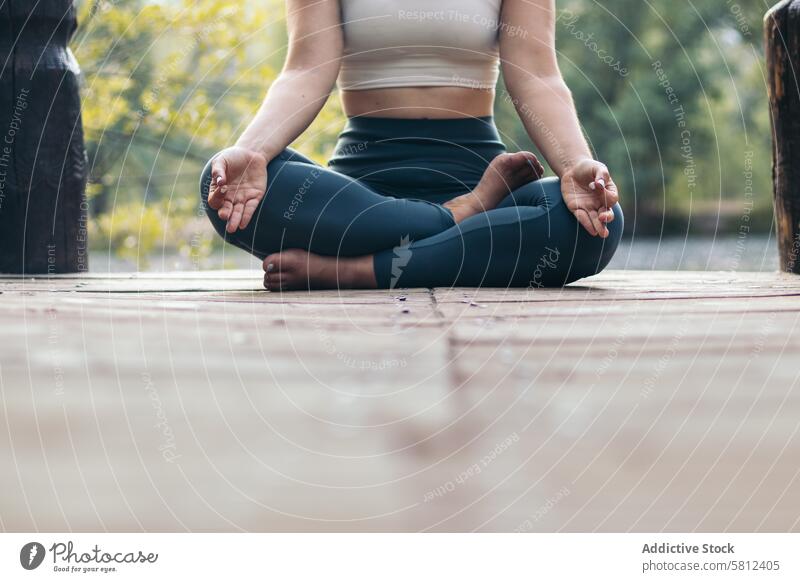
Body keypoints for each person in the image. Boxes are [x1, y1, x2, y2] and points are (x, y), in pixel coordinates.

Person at [200, 0, 623, 290]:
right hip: (363, 199)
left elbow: (537, 77)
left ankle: (356, 271)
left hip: (478, 176)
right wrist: (252, 152)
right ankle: (458, 217)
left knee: (596, 223)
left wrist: (574, 165)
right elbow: (306, 70)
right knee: (225, 184)